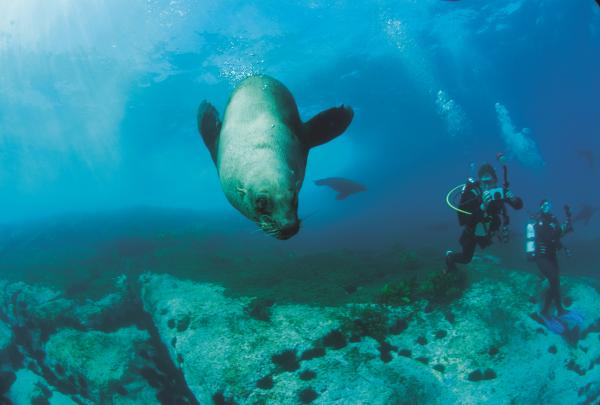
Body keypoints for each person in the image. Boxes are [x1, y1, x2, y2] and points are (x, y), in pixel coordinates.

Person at [445, 163, 523, 273]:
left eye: (489, 182)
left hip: (488, 230)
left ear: (495, 181)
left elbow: (518, 206)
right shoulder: (472, 194)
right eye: (483, 182)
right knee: (466, 258)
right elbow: (464, 220)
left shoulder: (499, 193)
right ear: (480, 182)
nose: (486, 186)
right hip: (472, 232)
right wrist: (482, 207)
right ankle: (450, 257)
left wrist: (515, 200)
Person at [530, 199, 579, 332]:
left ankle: (560, 310)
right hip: (542, 257)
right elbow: (549, 237)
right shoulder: (538, 221)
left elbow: (557, 237)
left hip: (552, 256)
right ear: (540, 207)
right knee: (553, 278)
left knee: (556, 281)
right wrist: (561, 229)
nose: (547, 207)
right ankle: (546, 312)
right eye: (544, 205)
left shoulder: (553, 219)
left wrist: (567, 222)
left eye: (549, 205)